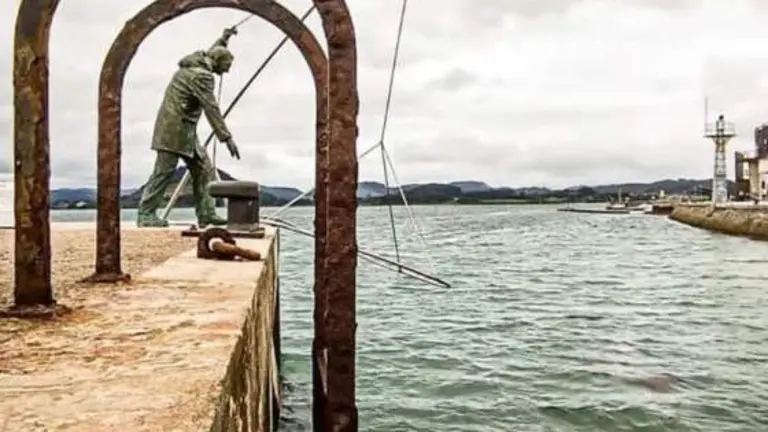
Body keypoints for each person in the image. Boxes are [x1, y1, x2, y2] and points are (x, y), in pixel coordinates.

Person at [137, 28, 241, 228]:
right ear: (218, 63)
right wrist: (227, 138)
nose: (227, 70)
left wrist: (224, 38)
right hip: (173, 129)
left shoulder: (200, 62)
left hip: (185, 130)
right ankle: (146, 213)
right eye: (227, 65)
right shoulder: (202, 76)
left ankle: (206, 213)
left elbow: (214, 51)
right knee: (163, 171)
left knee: (204, 169)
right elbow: (211, 108)